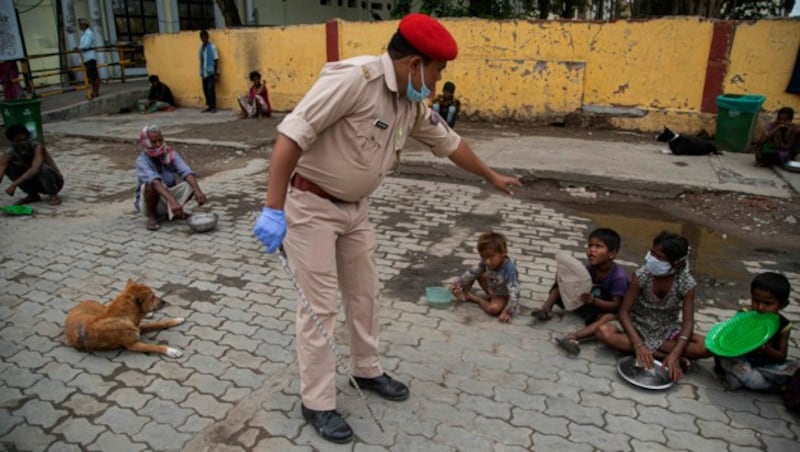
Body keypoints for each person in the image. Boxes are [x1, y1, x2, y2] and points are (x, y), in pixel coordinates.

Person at [252, 13, 521, 444]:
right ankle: (317, 402)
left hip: (355, 209)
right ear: (415, 63)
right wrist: (273, 209)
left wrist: (491, 177)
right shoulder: (353, 80)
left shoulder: (409, 103)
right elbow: (291, 136)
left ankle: (368, 369)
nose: (436, 83)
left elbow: (450, 143)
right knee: (319, 308)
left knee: (365, 294)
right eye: (436, 71)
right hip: (311, 206)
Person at [595, 231, 709, 383]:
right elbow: (623, 312)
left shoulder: (686, 283)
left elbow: (688, 323)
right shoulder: (642, 275)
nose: (652, 259)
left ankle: (667, 356)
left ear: (676, 263)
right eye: (652, 253)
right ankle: (661, 356)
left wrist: (675, 352)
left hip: (667, 330)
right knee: (604, 332)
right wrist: (638, 344)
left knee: (706, 346)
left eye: (660, 257)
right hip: (638, 327)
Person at [531, 228, 629, 355]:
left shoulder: (618, 277)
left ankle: (573, 337)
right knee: (561, 284)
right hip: (585, 303)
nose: (591, 250)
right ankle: (545, 310)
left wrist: (595, 301)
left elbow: (616, 305)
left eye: (598, 246)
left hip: (601, 309)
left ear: (612, 254)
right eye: (590, 245)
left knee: (607, 318)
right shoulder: (590, 268)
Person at [714, 272, 797, 392]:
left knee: (792, 368)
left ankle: (745, 379)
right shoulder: (744, 315)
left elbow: (781, 357)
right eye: (756, 301)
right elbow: (730, 340)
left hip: (765, 364)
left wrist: (765, 348)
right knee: (721, 355)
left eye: (768, 303)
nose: (760, 307)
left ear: (783, 305)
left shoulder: (784, 325)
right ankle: (771, 385)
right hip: (742, 359)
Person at [134, 125, 207, 231]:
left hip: (167, 196)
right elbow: (155, 182)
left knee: (191, 183)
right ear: (146, 143)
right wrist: (172, 201)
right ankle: (152, 216)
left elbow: (186, 171)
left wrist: (198, 191)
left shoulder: (170, 154)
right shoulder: (141, 161)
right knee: (150, 185)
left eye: (160, 140)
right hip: (149, 202)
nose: (158, 144)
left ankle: (174, 212)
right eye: (154, 142)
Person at [449, 231, 520, 322]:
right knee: (474, 273)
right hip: (492, 286)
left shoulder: (510, 269)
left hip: (502, 295)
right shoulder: (486, 263)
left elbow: (515, 294)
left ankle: (476, 299)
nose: (487, 262)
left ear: (503, 253)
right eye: (483, 257)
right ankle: (464, 293)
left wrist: (508, 312)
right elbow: (472, 272)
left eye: (491, 257)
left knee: (493, 309)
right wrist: (458, 284)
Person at [0, 124, 63, 206]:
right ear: (12, 141)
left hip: (54, 182)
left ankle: (53, 195)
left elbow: (35, 169)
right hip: (34, 181)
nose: (23, 143)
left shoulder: (37, 146)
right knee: (10, 168)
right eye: (19, 141)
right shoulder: (9, 154)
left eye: (25, 139)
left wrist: (14, 184)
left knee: (43, 168)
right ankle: (32, 195)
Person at [77, 18, 101, 99]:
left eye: (80, 24)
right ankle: (93, 91)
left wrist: (78, 48)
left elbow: (86, 45)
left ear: (84, 25)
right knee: (90, 77)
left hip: (90, 58)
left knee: (94, 76)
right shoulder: (84, 34)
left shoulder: (89, 33)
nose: (79, 26)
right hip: (86, 58)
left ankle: (96, 92)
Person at [198, 30, 219, 113]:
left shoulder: (212, 47)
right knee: (205, 90)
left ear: (207, 37)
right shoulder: (201, 49)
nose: (203, 39)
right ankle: (209, 106)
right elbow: (201, 61)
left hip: (211, 72)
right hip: (204, 72)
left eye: (204, 37)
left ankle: (213, 107)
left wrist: (216, 72)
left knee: (210, 89)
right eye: (202, 37)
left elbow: (216, 59)